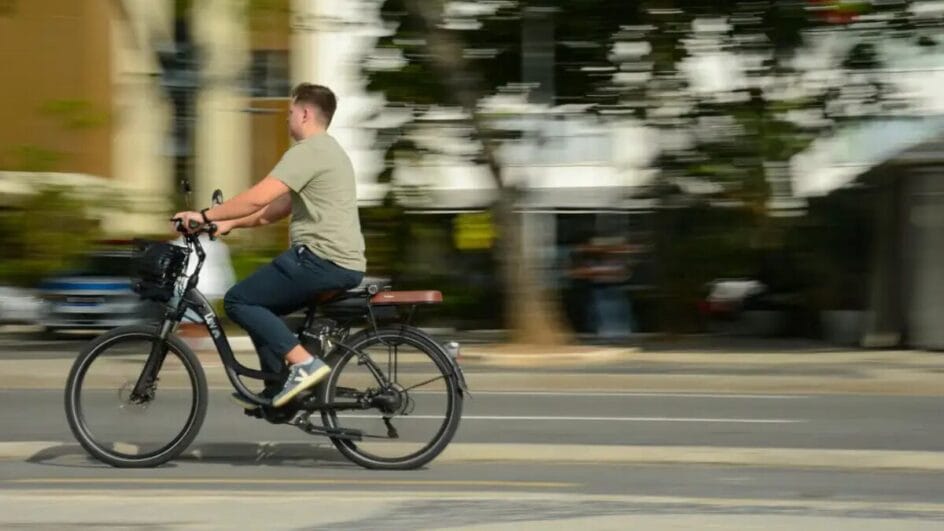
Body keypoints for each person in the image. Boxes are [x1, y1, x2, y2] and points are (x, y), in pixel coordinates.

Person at [173, 83, 366, 408]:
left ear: (305, 113)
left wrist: (203, 215)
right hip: (337, 262)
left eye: (290, 113)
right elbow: (273, 210)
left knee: (238, 301)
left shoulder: (309, 152)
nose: (287, 119)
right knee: (263, 308)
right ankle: (280, 390)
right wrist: (229, 222)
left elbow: (258, 197)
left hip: (320, 260)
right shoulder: (329, 152)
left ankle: (304, 365)